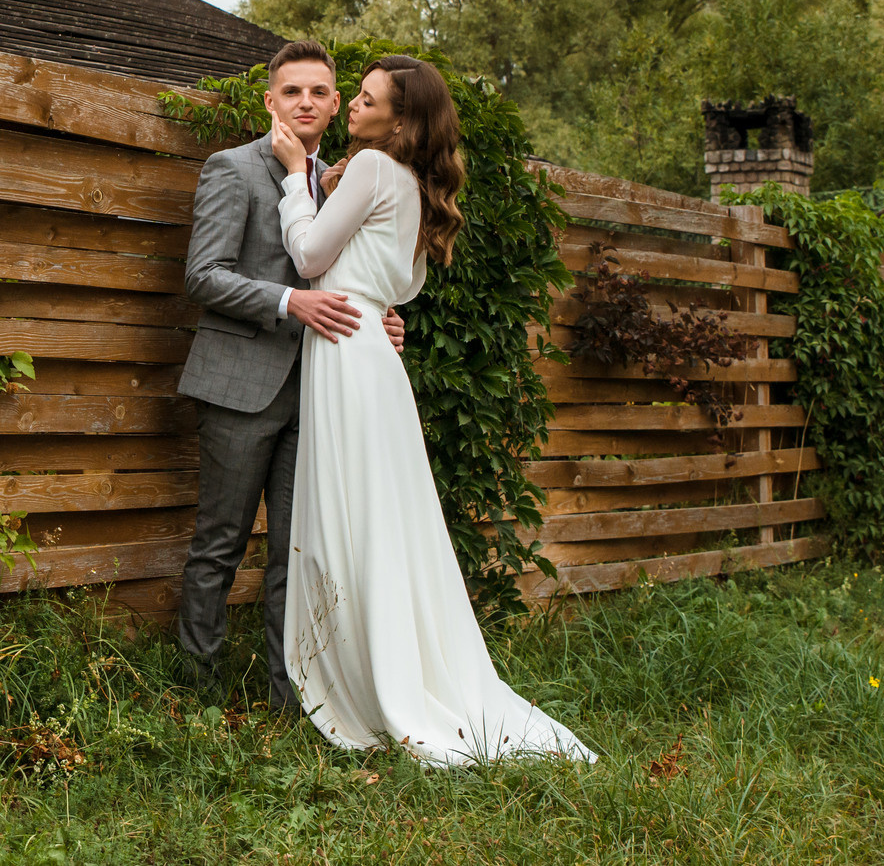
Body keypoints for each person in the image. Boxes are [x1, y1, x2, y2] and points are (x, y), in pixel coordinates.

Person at [273, 54, 595, 765]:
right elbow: (402, 289)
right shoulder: (414, 185)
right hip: (375, 355)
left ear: (400, 118)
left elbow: (309, 254)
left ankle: (362, 676)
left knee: (352, 513)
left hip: (342, 347)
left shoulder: (369, 169)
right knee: (386, 517)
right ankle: (390, 662)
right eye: (352, 96)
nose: (350, 107)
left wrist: (299, 182)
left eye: (365, 99)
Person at [177, 40, 404, 708]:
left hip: (318, 393)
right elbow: (203, 274)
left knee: (297, 555)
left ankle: (291, 698)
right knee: (219, 545)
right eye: (291, 90)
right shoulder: (231, 168)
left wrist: (383, 321)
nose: (305, 101)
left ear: (336, 105)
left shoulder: (344, 178)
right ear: (270, 100)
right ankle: (195, 696)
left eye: (319, 91)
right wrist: (287, 300)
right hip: (239, 388)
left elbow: (352, 280)